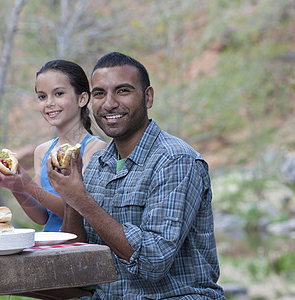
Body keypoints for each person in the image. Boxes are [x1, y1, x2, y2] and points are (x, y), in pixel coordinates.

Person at [47, 52, 226, 299]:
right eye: (99, 94)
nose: (109, 104)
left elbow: (154, 261)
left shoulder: (174, 160)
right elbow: (78, 259)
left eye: (122, 91)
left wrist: (81, 199)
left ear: (148, 97)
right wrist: (70, 196)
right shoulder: (99, 162)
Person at [0, 59, 106, 232]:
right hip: (50, 248)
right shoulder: (42, 151)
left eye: (58, 94)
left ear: (82, 99)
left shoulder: (94, 149)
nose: (49, 102)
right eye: (42, 96)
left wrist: (28, 185)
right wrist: (17, 187)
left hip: (81, 249)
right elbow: (43, 217)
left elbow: (81, 213)